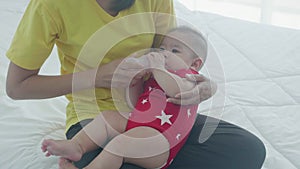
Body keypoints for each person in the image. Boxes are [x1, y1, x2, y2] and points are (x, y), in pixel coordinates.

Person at [5, 0, 266, 169]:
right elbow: (17, 87)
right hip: (96, 119)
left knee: (248, 149)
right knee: (115, 150)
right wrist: (98, 76)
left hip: (159, 114)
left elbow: (178, 57)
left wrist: (207, 86)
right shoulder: (50, 5)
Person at [41, 26, 207, 169]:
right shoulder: (157, 75)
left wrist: (157, 68)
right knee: (108, 117)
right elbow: (136, 105)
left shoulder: (191, 78)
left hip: (161, 143)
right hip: (141, 124)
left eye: (174, 50)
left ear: (195, 64)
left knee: (119, 144)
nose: (163, 54)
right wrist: (134, 83)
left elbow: (174, 90)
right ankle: (77, 145)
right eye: (162, 48)